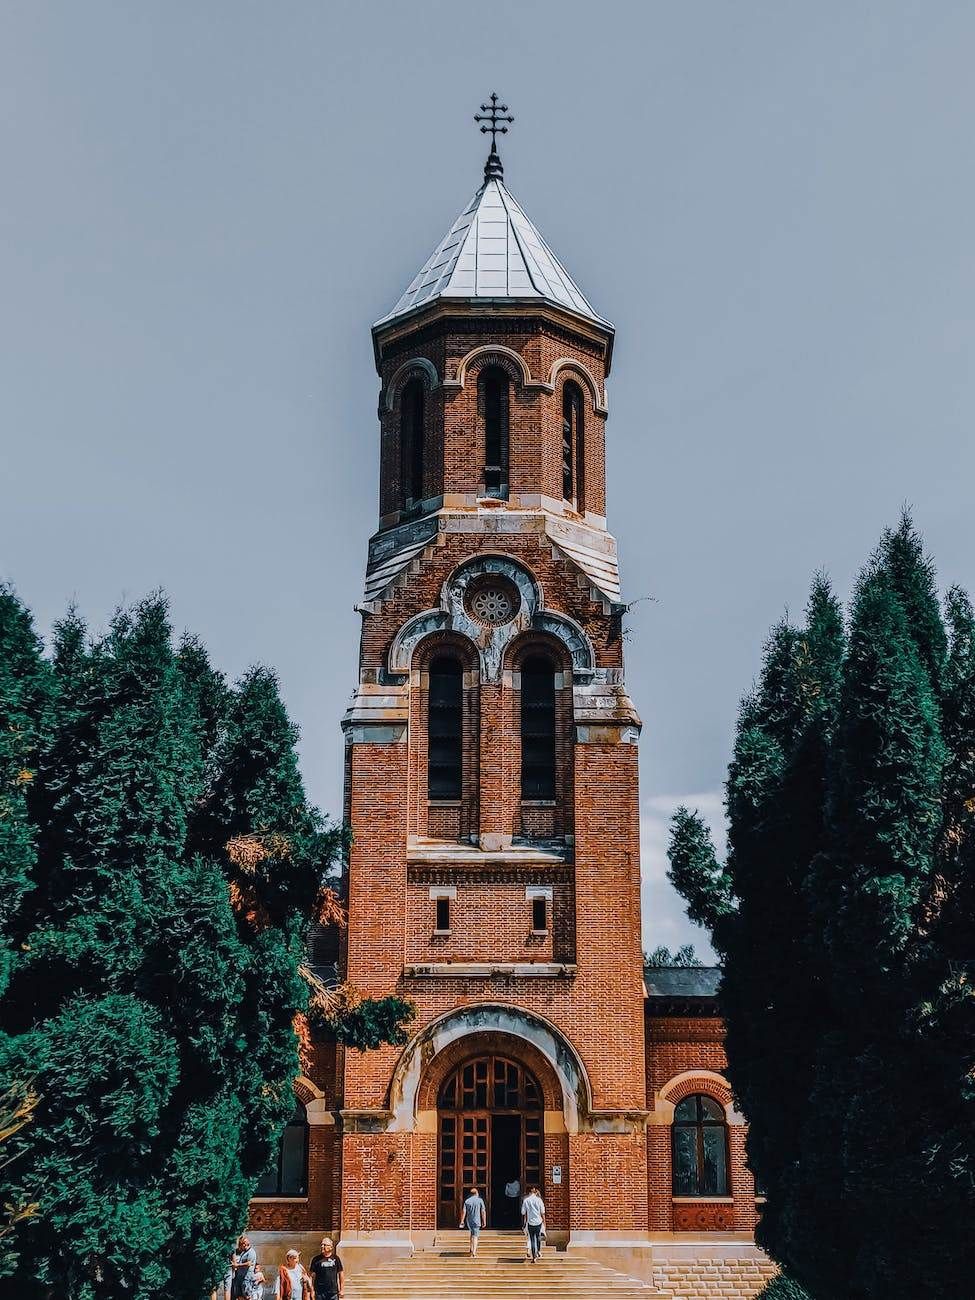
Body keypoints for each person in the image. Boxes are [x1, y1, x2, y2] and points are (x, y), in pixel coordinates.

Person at [521, 1184, 546, 1263]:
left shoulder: (526, 1200)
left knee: (532, 1239)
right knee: (538, 1237)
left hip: (530, 1222)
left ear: (529, 1192)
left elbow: (523, 1212)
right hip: (538, 1221)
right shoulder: (539, 1200)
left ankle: (534, 1257)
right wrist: (544, 1222)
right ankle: (538, 1251)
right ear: (535, 1191)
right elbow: (542, 1212)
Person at [460, 1185, 486, 1257]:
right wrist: (484, 1221)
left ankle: (471, 1249)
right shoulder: (480, 1200)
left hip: (469, 1220)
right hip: (477, 1220)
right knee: (475, 1236)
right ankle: (474, 1252)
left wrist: (462, 1221)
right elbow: (483, 1211)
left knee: (472, 1234)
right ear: (476, 1193)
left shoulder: (467, 1201)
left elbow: (464, 1211)